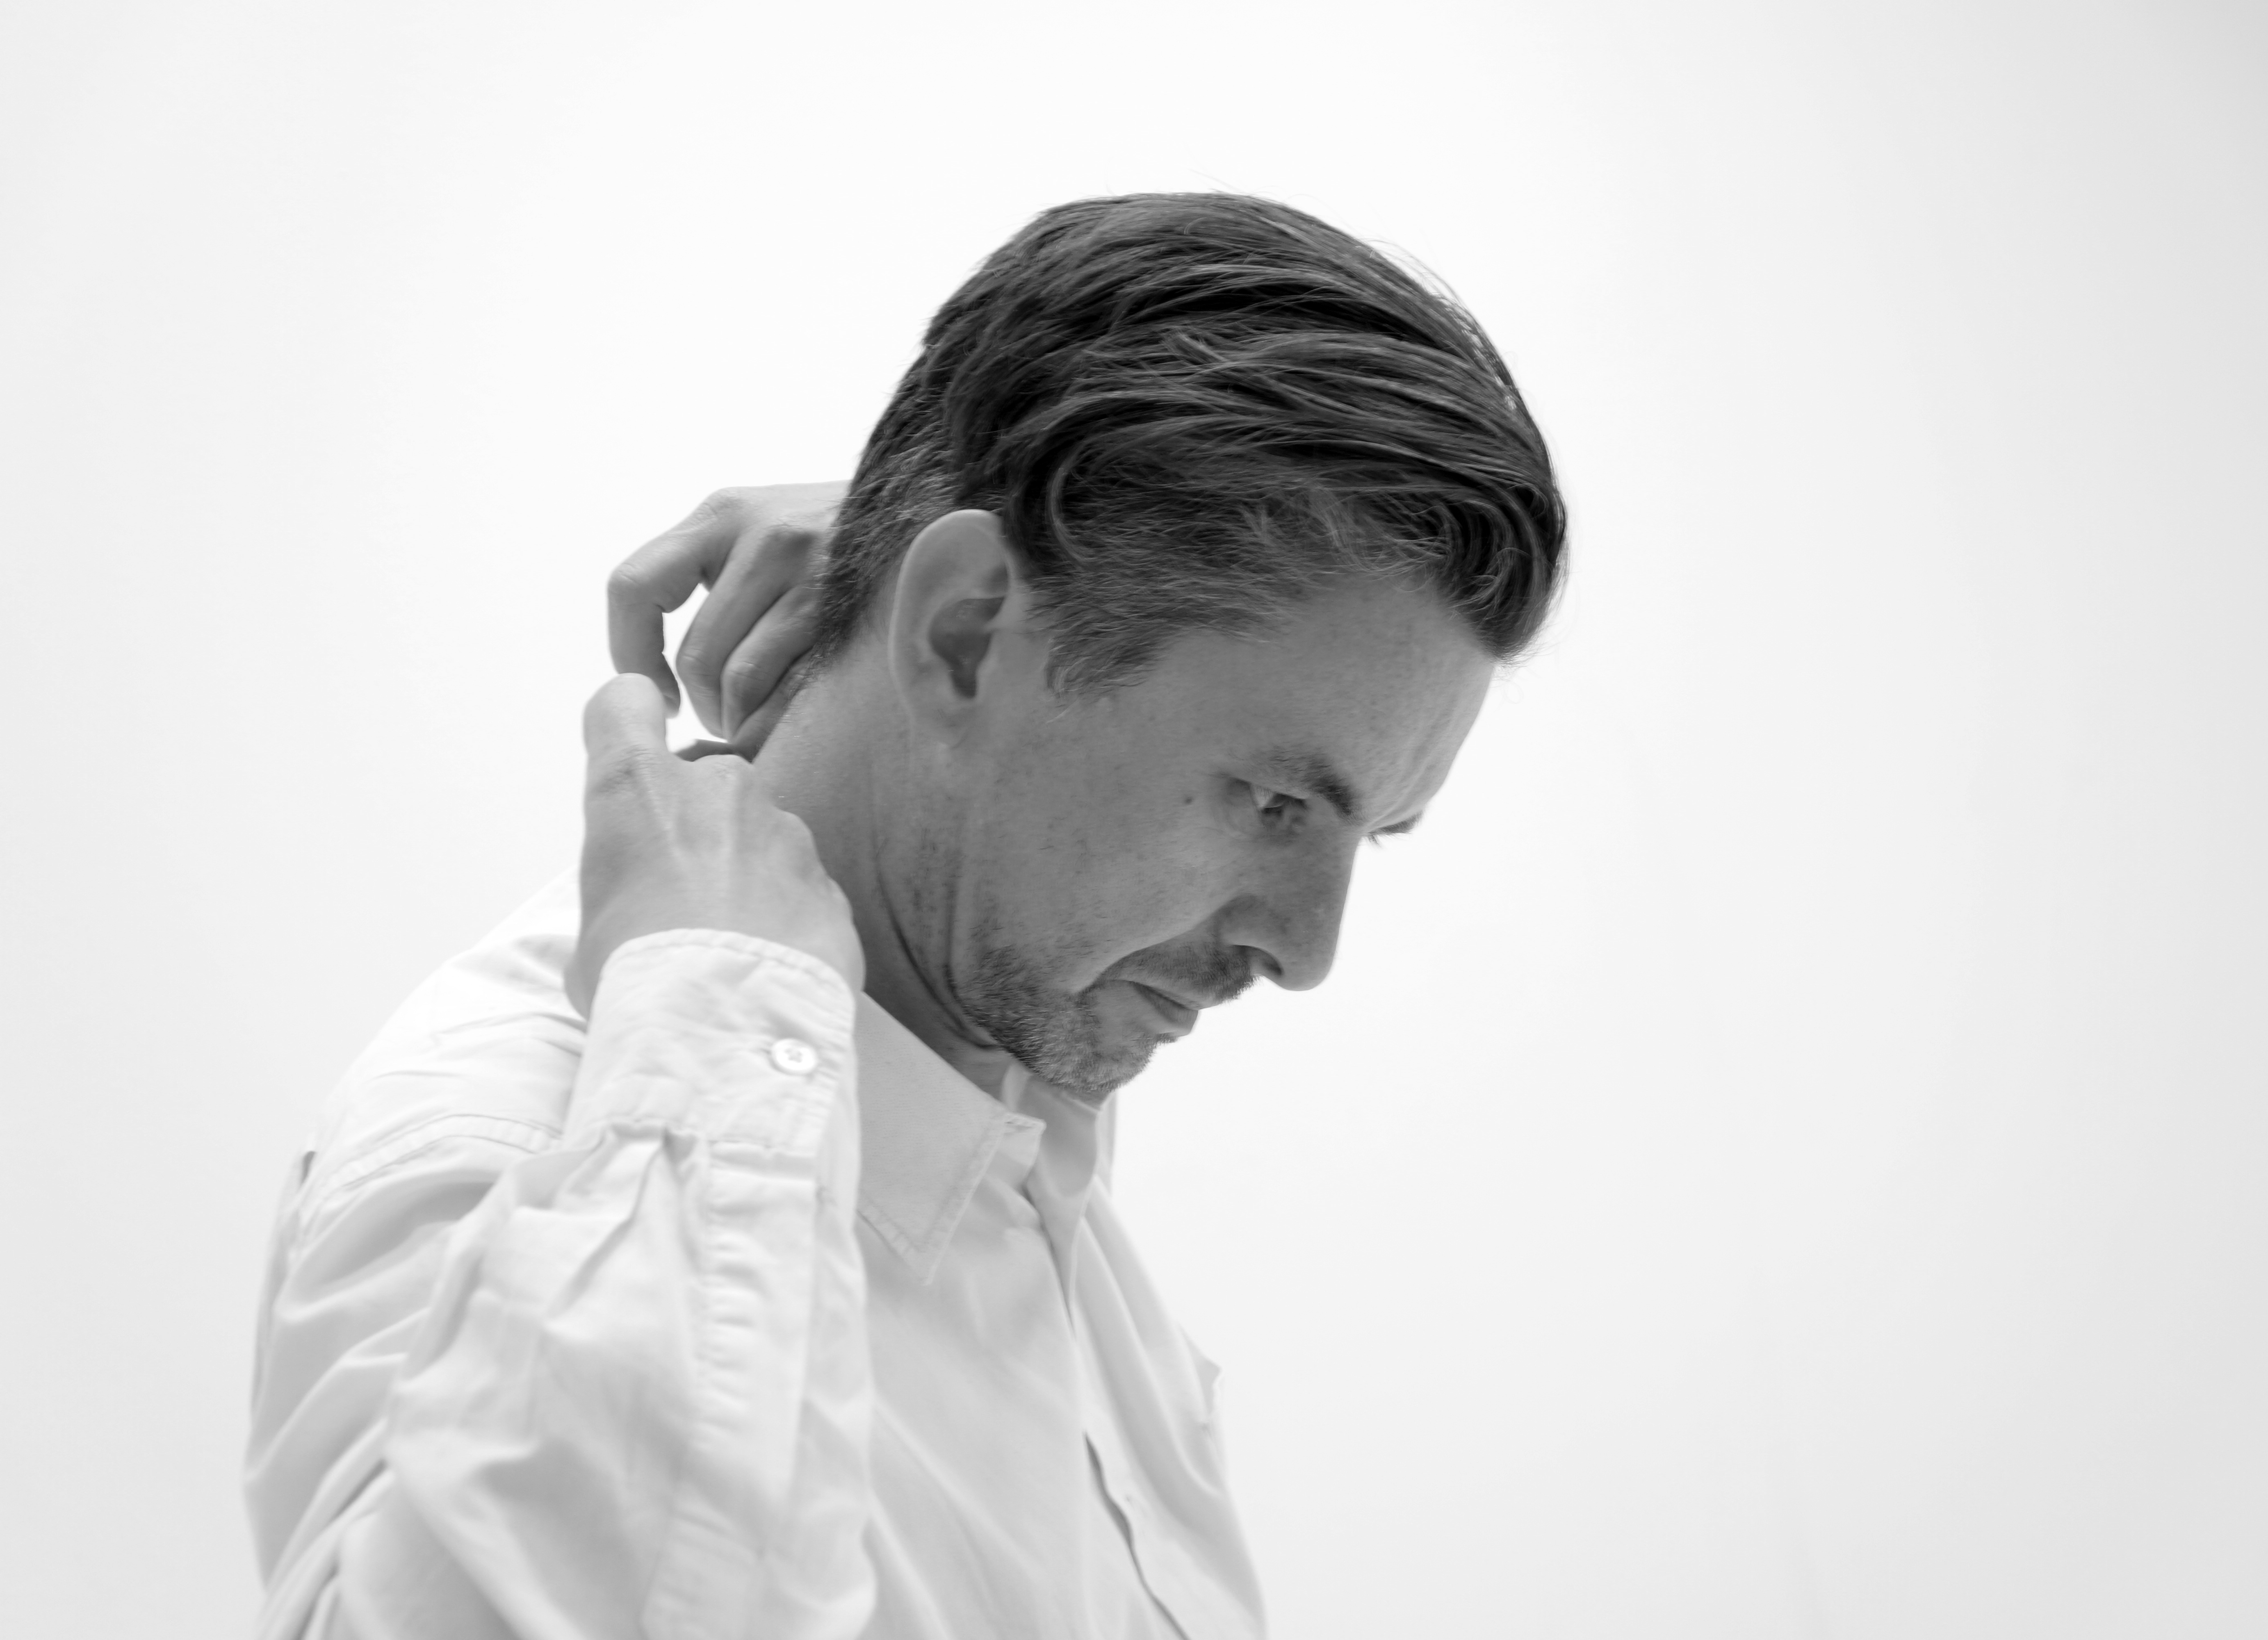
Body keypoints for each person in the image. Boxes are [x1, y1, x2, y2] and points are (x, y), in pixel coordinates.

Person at [245, 193, 1565, 1640]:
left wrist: (931, 587)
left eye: (1373, 833)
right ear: (964, 633)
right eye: (1275, 803)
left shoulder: (1002, 1066)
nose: (1306, 951)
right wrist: (724, 1024)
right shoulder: (516, 1166)